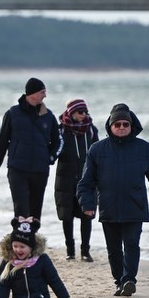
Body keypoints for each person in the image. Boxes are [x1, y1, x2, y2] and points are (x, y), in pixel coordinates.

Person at [77, 103, 149, 297]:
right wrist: (87, 204)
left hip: (134, 206)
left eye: (125, 124)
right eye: (117, 124)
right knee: (113, 250)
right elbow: (86, 182)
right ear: (110, 126)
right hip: (108, 207)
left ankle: (129, 280)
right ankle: (119, 280)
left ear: (131, 126)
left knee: (131, 245)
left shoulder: (143, 148)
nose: (121, 127)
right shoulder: (97, 149)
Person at [0, 78, 63, 223]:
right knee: (21, 210)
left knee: (35, 213)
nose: (45, 95)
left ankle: (32, 244)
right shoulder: (12, 113)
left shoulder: (48, 116)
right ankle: (19, 243)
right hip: (17, 169)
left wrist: (51, 158)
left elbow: (59, 141)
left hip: (40, 171)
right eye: (42, 92)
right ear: (32, 93)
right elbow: (2, 142)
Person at [54, 99, 99, 261]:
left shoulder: (91, 130)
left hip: (86, 180)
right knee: (67, 216)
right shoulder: (60, 130)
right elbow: (52, 150)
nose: (84, 115)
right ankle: (70, 251)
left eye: (86, 112)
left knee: (87, 214)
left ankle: (85, 251)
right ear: (72, 112)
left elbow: (98, 153)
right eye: (81, 112)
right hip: (64, 179)